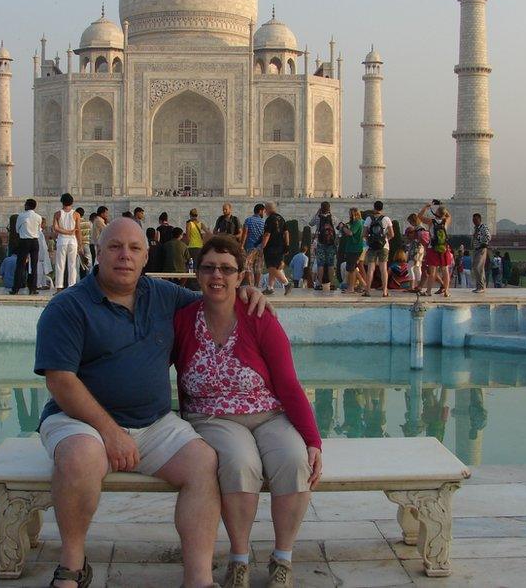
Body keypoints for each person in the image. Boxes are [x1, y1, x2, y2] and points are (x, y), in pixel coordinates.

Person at [33, 218, 271, 588]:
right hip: (80, 422)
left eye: (134, 249)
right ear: (98, 252)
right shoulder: (68, 306)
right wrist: (110, 432)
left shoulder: (163, 296)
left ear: (146, 256)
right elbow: (60, 381)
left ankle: (198, 578)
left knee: (202, 463)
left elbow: (215, 299)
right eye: (115, 247)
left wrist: (247, 293)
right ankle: (72, 567)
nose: (124, 256)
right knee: (80, 457)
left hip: (153, 423)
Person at [173, 236, 321, 588]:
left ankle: (282, 558)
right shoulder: (182, 320)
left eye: (227, 269)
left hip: (268, 414)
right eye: (208, 268)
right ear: (197, 273)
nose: (217, 276)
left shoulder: (258, 317)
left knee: (294, 460)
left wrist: (313, 439)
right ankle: (239, 558)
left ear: (242, 275)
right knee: (241, 464)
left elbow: (287, 382)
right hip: (213, 417)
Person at [419, 202, 452, 298]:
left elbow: (419, 216)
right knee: (445, 270)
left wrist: (426, 206)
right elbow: (449, 215)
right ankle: (446, 291)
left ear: (436, 213)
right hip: (444, 248)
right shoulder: (446, 221)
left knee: (432, 271)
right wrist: (443, 206)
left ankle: (428, 291)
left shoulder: (431, 221)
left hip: (432, 248)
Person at [12, 198, 44, 295]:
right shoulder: (38, 217)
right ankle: (32, 288)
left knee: (20, 266)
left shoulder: (21, 216)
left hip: (24, 241)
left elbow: (17, 230)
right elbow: (39, 230)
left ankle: (16, 288)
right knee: (34, 266)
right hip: (35, 242)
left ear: (27, 206)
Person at [363, 201, 394, 297]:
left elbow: (364, 234)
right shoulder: (386, 219)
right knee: (383, 269)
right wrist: (385, 239)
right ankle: (385, 291)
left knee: (370, 269)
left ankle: (367, 290)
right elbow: (392, 234)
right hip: (383, 246)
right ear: (382, 208)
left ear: (374, 208)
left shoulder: (369, 218)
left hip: (372, 246)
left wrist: (369, 241)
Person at [261, 201, 291, 295]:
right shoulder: (281, 218)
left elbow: (267, 234)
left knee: (272, 268)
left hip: (271, 247)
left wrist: (262, 246)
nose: (265, 211)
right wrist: (287, 246)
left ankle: (286, 283)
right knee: (273, 267)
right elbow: (286, 233)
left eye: (265, 209)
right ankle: (270, 287)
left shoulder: (269, 219)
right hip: (280, 246)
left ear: (268, 209)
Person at [53, 193, 81, 290]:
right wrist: (80, 244)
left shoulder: (58, 214)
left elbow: (55, 228)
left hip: (61, 241)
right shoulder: (76, 214)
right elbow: (78, 230)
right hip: (73, 241)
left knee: (60, 264)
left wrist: (65, 232)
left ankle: (59, 287)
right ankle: (71, 286)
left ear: (62, 202)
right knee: (72, 265)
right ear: (72, 202)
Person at [308, 201, 336, 291]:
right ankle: (330, 284)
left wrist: (317, 213)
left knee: (320, 264)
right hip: (331, 244)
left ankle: (319, 284)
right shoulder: (332, 217)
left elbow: (310, 223)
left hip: (321, 243)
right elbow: (336, 226)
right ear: (329, 208)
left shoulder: (318, 218)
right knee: (330, 264)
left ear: (321, 208)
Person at [340, 207, 365, 294]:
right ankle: (362, 284)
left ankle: (351, 288)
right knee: (353, 268)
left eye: (351, 213)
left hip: (354, 248)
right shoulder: (358, 222)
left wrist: (343, 228)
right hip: (353, 247)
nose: (349, 215)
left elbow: (350, 233)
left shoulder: (358, 222)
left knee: (351, 269)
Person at [241, 204, 266, 287]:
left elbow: (244, 234)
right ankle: (257, 286)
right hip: (260, 248)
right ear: (260, 211)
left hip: (250, 247)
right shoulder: (263, 222)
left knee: (248, 266)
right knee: (258, 268)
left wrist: (241, 245)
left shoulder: (248, 220)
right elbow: (265, 236)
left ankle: (251, 285)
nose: (264, 213)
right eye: (263, 211)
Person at [404, 213, 428, 292]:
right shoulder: (421, 227)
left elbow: (418, 239)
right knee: (417, 268)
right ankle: (418, 286)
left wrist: (411, 236)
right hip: (420, 249)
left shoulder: (419, 228)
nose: (410, 224)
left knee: (410, 267)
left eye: (410, 222)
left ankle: (412, 286)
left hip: (415, 250)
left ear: (414, 220)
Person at [471, 213, 491, 293]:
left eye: (475, 220)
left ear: (480, 219)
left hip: (481, 249)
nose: (474, 221)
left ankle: (481, 287)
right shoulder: (476, 228)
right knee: (478, 268)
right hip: (477, 249)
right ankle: (480, 286)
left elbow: (488, 236)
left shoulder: (483, 227)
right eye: (473, 220)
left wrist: (483, 243)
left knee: (478, 267)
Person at [76, 207, 91, 278]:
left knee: (77, 265)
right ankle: (87, 279)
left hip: (78, 245)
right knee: (88, 263)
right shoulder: (87, 223)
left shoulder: (75, 222)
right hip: (86, 244)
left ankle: (78, 281)